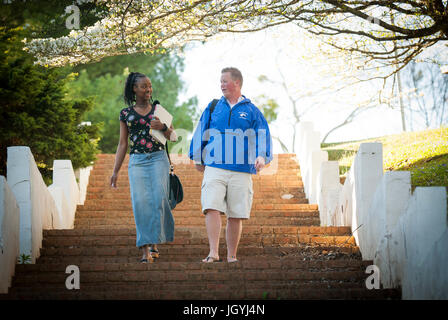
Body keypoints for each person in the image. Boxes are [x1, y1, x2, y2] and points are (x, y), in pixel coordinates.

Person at [189, 67, 273, 263]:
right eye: (220, 81)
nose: (221, 85)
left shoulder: (251, 110)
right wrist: (197, 156)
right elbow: (202, 129)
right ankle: (213, 252)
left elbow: (262, 134)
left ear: (237, 83)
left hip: (242, 169)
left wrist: (261, 156)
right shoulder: (213, 106)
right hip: (214, 166)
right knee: (211, 207)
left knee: (236, 213)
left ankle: (232, 256)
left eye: (225, 81)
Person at [110, 72, 177, 263]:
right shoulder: (125, 114)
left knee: (158, 199)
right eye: (144, 86)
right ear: (134, 88)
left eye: (150, 85)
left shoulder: (159, 109)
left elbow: (173, 137)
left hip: (158, 159)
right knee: (140, 203)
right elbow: (123, 144)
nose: (148, 89)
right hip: (137, 161)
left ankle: (155, 240)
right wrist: (115, 171)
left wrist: (163, 127)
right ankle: (145, 250)